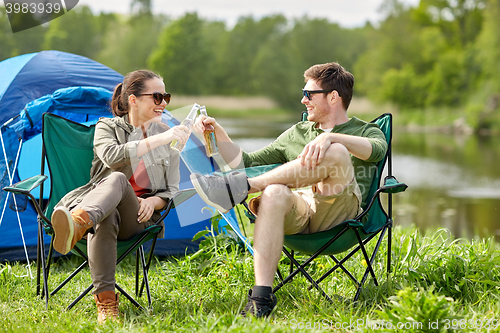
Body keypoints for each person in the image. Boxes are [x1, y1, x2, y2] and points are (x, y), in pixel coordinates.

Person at [190, 62, 388, 317]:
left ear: (333, 97)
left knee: (336, 151)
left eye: (309, 94)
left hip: (341, 215)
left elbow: (378, 150)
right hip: (299, 212)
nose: (302, 100)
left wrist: (331, 137)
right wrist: (216, 133)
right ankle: (261, 299)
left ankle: (242, 187)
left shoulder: (364, 130)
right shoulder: (296, 132)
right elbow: (246, 162)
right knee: (273, 193)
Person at [50, 70, 190, 323]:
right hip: (106, 211)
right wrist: (161, 138)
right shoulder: (107, 127)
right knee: (111, 199)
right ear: (133, 100)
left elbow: (171, 189)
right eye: (157, 96)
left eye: (166, 96)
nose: (164, 103)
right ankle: (107, 306)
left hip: (137, 219)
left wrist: (153, 201)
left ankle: (78, 223)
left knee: (117, 182)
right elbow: (113, 157)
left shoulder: (167, 133)